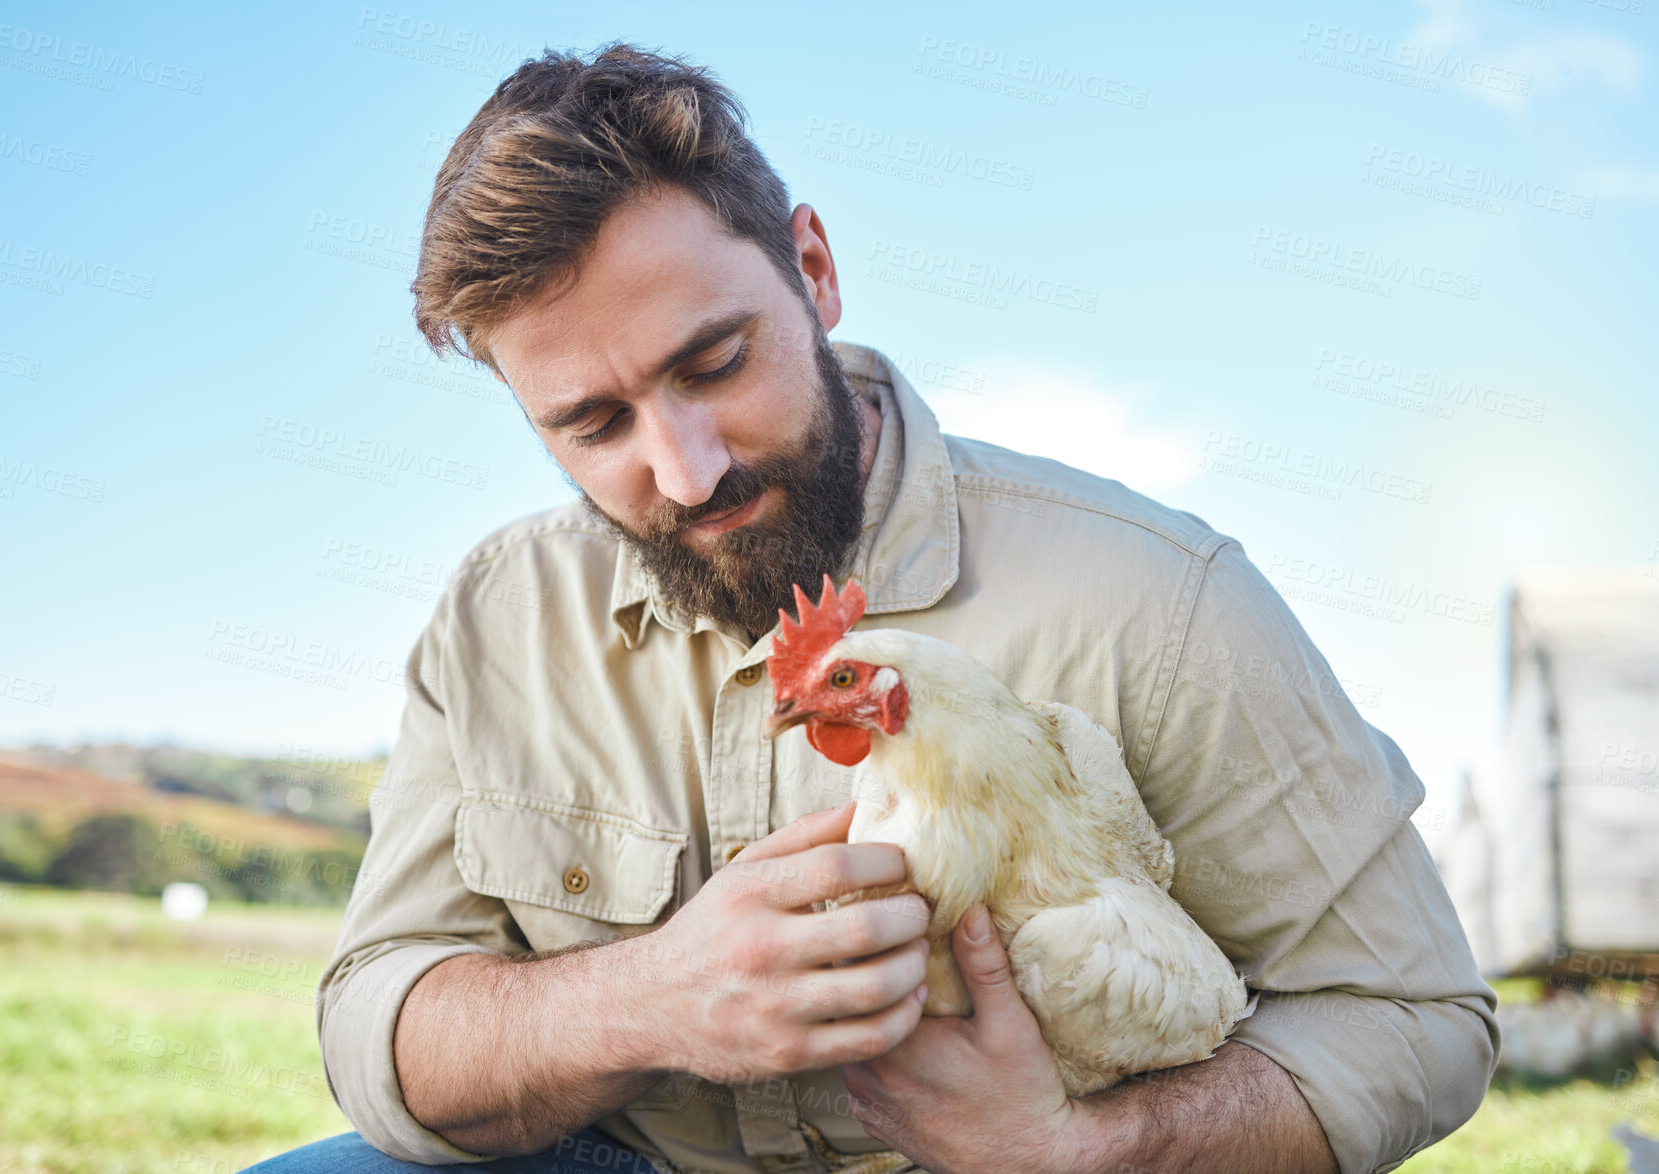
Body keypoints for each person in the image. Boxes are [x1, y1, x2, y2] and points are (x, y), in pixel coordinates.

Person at [247, 43, 1496, 1174]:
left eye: (713, 363)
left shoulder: (1153, 598)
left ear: (814, 268)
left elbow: (1414, 1019)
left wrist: (1085, 1153)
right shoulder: (498, 616)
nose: (684, 469)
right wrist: (644, 998)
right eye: (593, 422)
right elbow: (375, 1018)